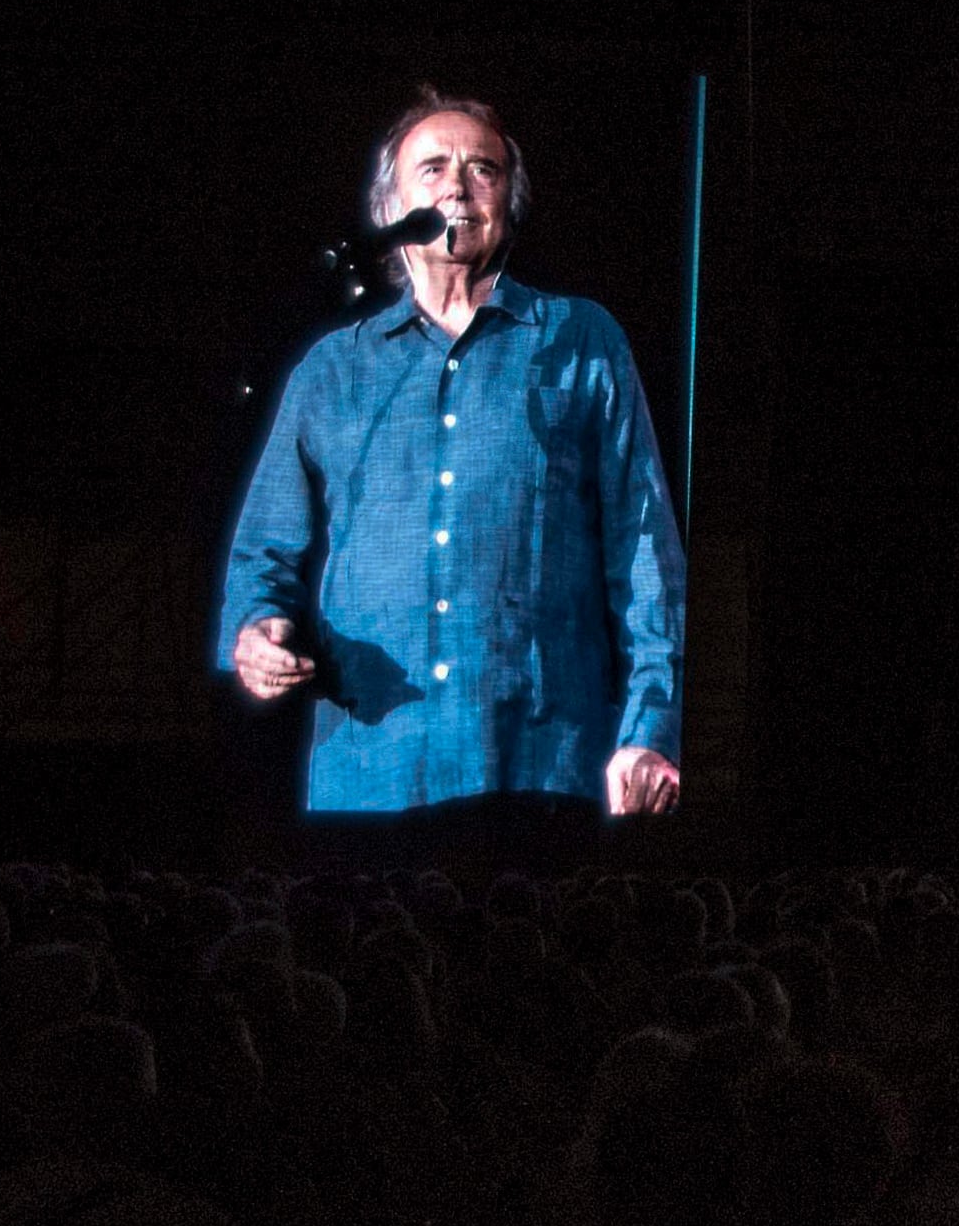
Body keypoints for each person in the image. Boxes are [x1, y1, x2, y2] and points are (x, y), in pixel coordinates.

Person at [220, 91, 681, 845]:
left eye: (484, 170)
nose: (458, 188)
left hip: (539, 768)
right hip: (368, 771)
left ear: (509, 202)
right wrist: (256, 632)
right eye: (432, 167)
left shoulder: (581, 340)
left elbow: (646, 557)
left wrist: (653, 726)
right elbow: (263, 554)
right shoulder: (331, 371)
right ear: (391, 204)